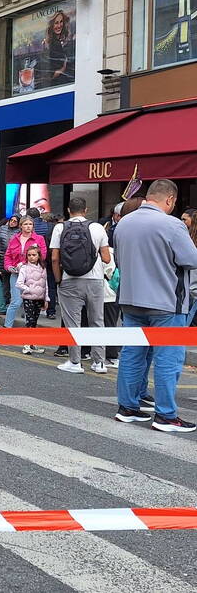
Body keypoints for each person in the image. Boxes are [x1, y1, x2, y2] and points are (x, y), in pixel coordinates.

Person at [114, 179, 197, 431]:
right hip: (166, 302)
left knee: (132, 354)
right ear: (170, 199)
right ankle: (166, 415)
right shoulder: (172, 225)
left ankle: (127, 407)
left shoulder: (123, 223)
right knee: (168, 359)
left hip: (130, 298)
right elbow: (191, 260)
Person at [50, 196, 111, 374]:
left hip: (69, 280)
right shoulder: (97, 227)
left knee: (72, 323)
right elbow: (106, 258)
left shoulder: (60, 228)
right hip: (95, 280)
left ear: (69, 210)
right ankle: (99, 362)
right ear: (86, 210)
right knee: (97, 321)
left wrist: (58, 280)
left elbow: (55, 258)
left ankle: (75, 362)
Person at [3, 216, 47, 328]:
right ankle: (7, 327)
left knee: (31, 303)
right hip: (16, 273)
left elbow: (43, 255)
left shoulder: (39, 239)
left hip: (33, 274)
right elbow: (7, 255)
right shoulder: (14, 238)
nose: (28, 226)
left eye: (30, 224)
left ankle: (29, 329)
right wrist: (8, 267)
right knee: (16, 301)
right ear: (21, 226)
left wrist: (24, 263)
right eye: (26, 224)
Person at [16, 245, 48, 354]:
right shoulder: (24, 268)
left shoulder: (43, 268)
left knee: (34, 321)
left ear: (39, 256)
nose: (31, 257)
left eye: (34, 255)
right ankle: (26, 344)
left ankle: (32, 343)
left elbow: (45, 285)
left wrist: (46, 299)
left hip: (39, 298)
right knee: (29, 321)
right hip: (29, 298)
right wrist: (29, 289)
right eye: (29, 255)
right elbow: (19, 283)